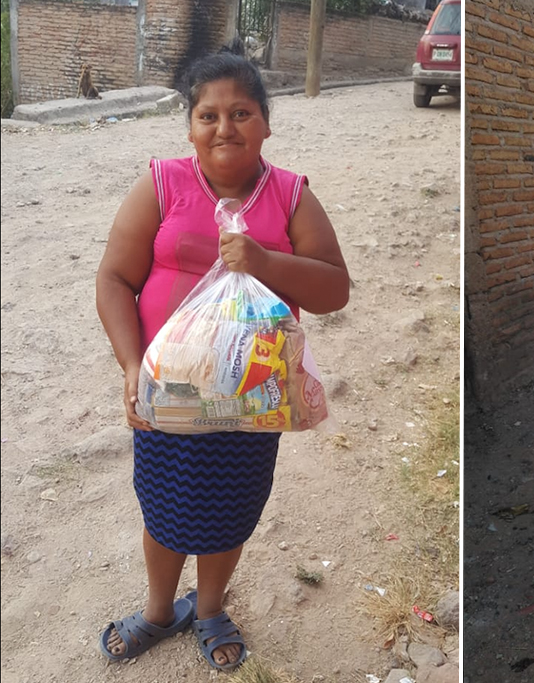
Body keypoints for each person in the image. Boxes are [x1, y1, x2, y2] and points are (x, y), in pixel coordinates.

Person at [95, 41, 349, 671]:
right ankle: (159, 609)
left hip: (253, 394)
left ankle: (208, 608)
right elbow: (113, 280)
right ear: (190, 125)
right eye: (208, 114)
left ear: (264, 122)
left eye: (241, 113)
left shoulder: (289, 195)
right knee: (161, 504)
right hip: (167, 389)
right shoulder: (161, 184)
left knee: (230, 506)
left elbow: (335, 288)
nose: (224, 126)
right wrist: (132, 366)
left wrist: (265, 263)